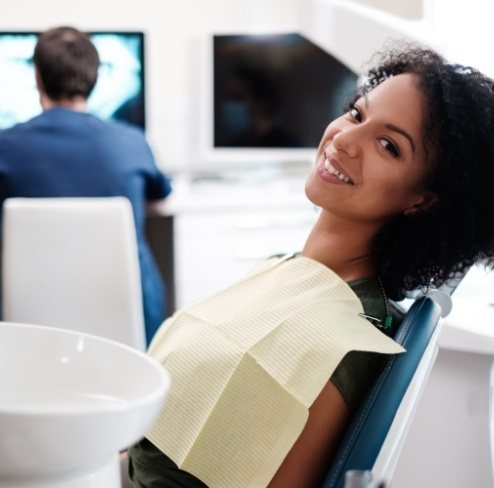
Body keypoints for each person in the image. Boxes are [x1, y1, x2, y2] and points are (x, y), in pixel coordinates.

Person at [128, 43, 494, 487]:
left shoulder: (347, 344)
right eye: (358, 114)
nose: (343, 139)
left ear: (422, 199)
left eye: (388, 145)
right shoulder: (284, 266)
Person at [0, 26, 172, 344]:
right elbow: (160, 197)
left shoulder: (4, 146)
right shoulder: (132, 142)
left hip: (28, 321)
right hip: (129, 317)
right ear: (94, 78)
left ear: (37, 77)